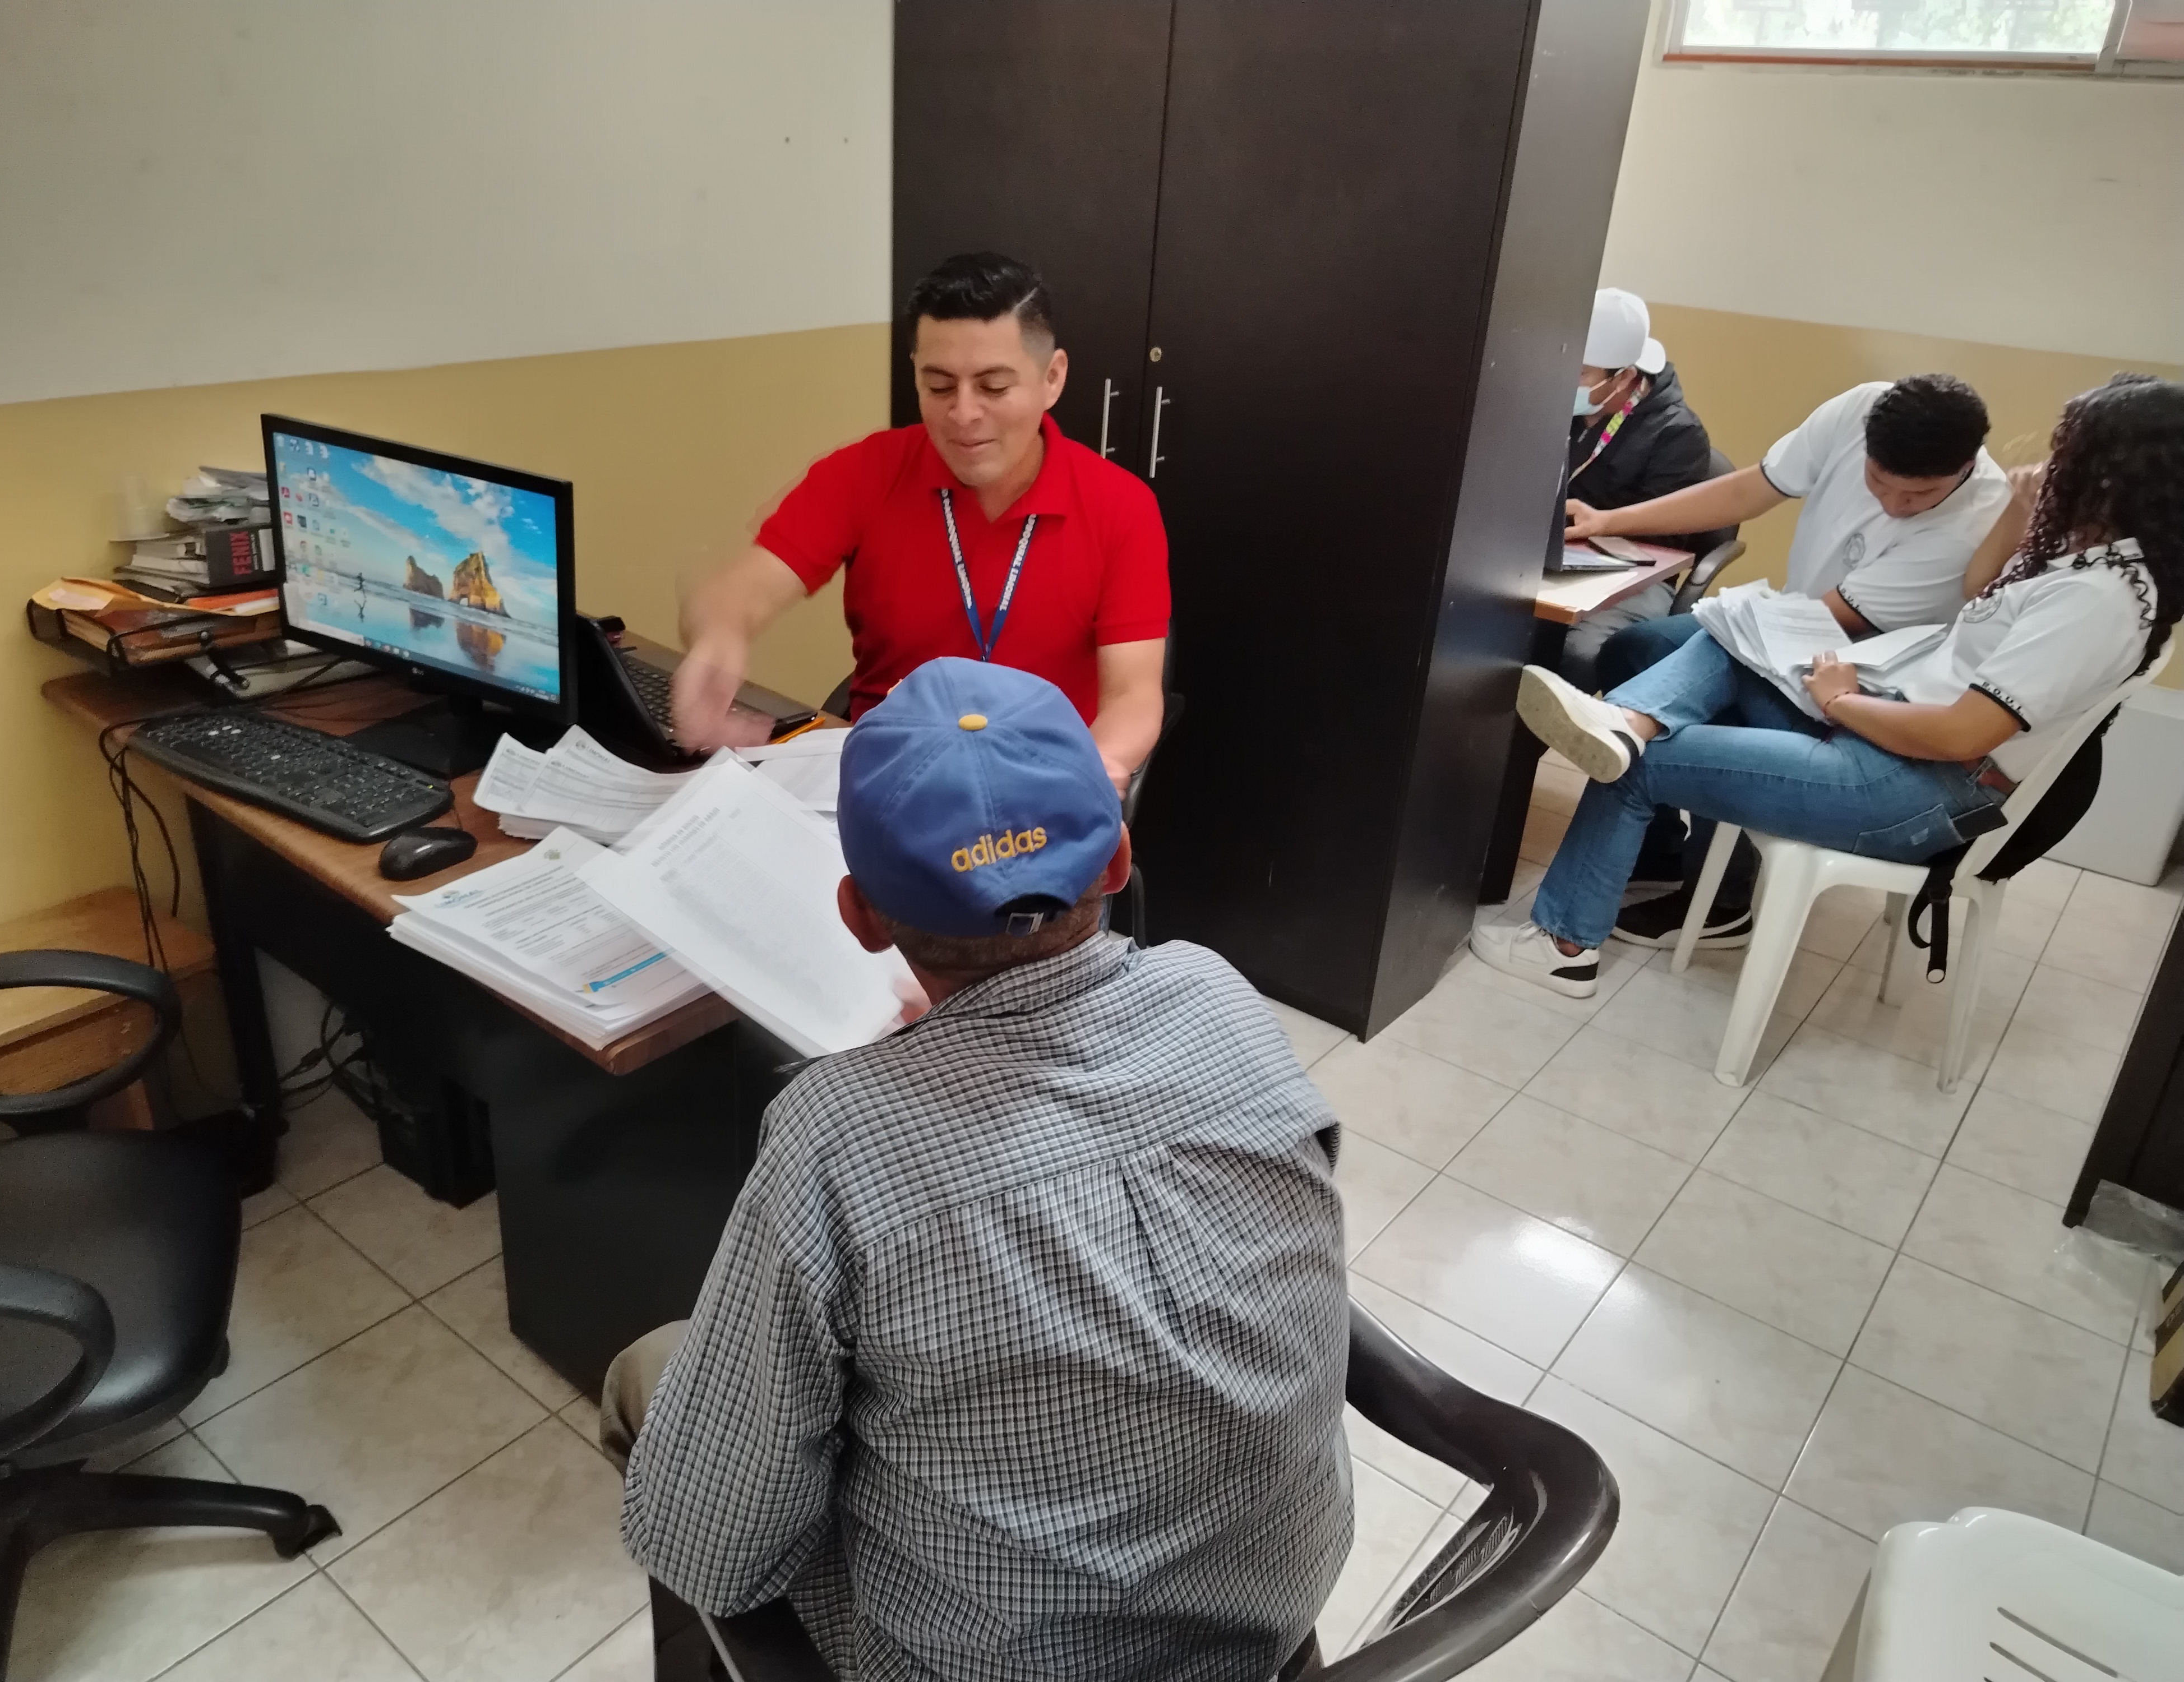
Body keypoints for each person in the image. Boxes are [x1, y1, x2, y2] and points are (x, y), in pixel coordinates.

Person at [610, 658, 1352, 1681]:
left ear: (860, 916)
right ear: (1117, 858)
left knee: (652, 1373)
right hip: (1271, 1618)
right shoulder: (1219, 995)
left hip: (994, 1666)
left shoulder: (835, 1133)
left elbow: (719, 1551)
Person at [1472, 374, 2182, 1001]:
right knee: (1740, 634)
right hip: (1895, 731)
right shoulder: (2093, 561)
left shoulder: (2096, 600)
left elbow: (1964, 734)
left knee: (1641, 766)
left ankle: (1564, 946)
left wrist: (1844, 703)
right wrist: (2021, 518)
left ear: (2111, 481)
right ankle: (1628, 724)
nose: (2048, 465)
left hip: (1914, 784)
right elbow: (1980, 595)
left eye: (2065, 456)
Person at [669, 251, 1171, 795]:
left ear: (1052, 378)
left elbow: (1133, 694)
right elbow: (744, 590)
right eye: (939, 386)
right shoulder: (865, 473)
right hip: (888, 784)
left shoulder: (1122, 507)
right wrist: (719, 638)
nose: (964, 414)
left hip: (1039, 786)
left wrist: (1098, 771)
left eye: (993, 387)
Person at [1568, 374, 2012, 946]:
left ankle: (1721, 898)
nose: (1893, 505)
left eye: (1919, 497)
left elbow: (1828, 624)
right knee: (1635, 647)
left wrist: (1745, 626)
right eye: (1878, 482)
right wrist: (1609, 521)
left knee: (1712, 682)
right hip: (1798, 626)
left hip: (1861, 679)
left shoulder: (1974, 522)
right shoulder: (1860, 409)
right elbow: (1752, 490)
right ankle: (1656, 846)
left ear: (1966, 467)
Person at [1557, 288, 1716, 688]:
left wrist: (1596, 527)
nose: (1567, 381)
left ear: (1625, 376)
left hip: (1633, 577)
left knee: (1580, 651)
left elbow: (1660, 540)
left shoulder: (1678, 434)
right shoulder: (1555, 409)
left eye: (1581, 373)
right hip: (1547, 558)